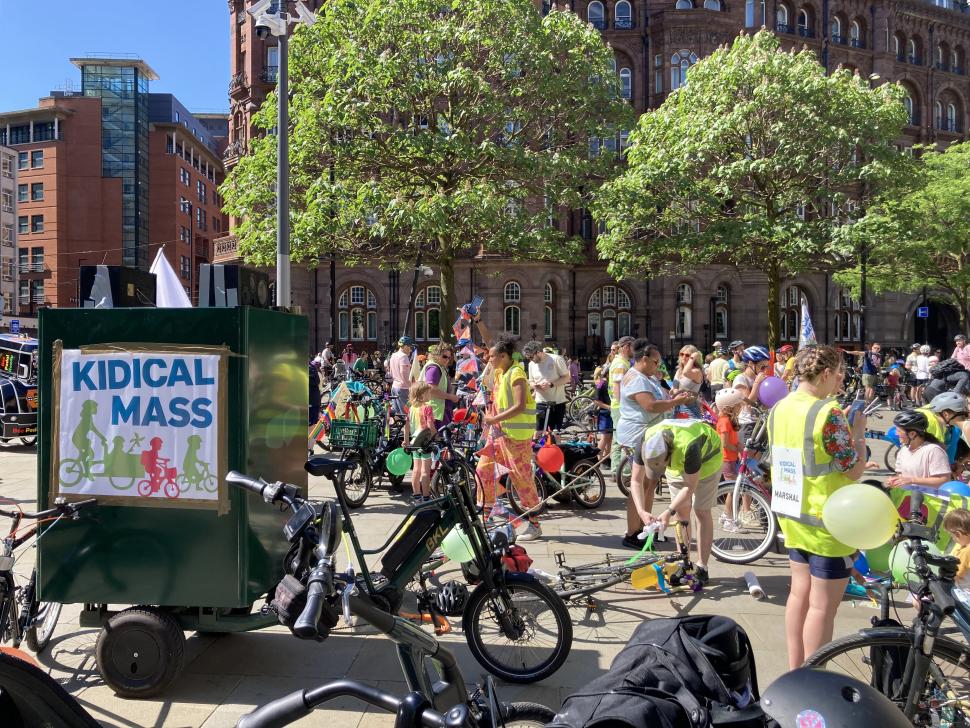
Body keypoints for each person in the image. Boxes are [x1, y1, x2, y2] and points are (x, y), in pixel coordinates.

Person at [766, 345, 867, 670]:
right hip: (827, 522)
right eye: (839, 374)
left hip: (793, 515)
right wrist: (860, 433)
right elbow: (852, 469)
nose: (841, 381)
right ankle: (814, 676)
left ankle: (796, 671)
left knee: (799, 596)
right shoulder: (828, 413)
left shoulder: (779, 407)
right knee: (822, 607)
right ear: (825, 374)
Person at [616, 340, 693, 548]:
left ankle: (644, 528)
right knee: (639, 484)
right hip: (637, 435)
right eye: (655, 361)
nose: (658, 365)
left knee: (649, 484)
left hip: (649, 435)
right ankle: (633, 532)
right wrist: (675, 402)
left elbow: (663, 396)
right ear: (643, 359)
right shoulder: (637, 379)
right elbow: (650, 406)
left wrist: (675, 396)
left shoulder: (647, 377)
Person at [642, 418, 724, 585]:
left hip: (708, 461)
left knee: (701, 511)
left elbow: (689, 487)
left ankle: (702, 567)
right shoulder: (648, 437)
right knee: (681, 513)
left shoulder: (689, 445)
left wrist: (667, 511)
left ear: (668, 455)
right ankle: (684, 564)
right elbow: (636, 480)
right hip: (679, 462)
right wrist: (642, 512)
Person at [477, 337, 543, 541]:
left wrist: (494, 418)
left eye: (492, 356)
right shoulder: (499, 371)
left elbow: (520, 405)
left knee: (521, 480)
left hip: (515, 438)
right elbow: (490, 344)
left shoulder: (516, 374)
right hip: (498, 436)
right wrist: (477, 320)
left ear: (504, 357)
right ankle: (486, 516)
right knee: (483, 470)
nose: (489, 358)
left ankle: (534, 525)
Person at [886, 410, 951, 491]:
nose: (896, 433)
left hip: (928, 500)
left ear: (912, 434)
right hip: (908, 498)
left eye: (899, 431)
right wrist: (895, 480)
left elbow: (944, 480)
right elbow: (901, 476)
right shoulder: (903, 450)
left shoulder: (933, 450)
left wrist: (912, 480)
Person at [523, 340, 571, 432]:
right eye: (528, 358)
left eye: (531, 357)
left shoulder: (556, 359)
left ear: (538, 352)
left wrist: (551, 384)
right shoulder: (531, 364)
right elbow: (531, 381)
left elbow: (566, 378)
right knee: (538, 432)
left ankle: (555, 446)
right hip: (540, 402)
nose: (530, 359)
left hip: (557, 402)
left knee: (555, 434)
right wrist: (535, 386)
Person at [608, 336, 636, 485]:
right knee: (625, 439)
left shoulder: (621, 362)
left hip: (617, 406)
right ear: (626, 347)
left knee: (618, 439)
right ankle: (624, 472)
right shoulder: (620, 363)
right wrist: (623, 405)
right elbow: (618, 385)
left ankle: (617, 471)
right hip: (620, 407)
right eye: (633, 347)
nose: (634, 351)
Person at [733, 346, 771, 448]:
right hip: (747, 424)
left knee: (759, 461)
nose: (765, 370)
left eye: (767, 367)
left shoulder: (759, 378)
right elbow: (748, 404)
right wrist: (757, 383)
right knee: (749, 460)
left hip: (761, 422)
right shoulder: (741, 379)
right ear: (750, 363)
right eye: (762, 367)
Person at [405, 382, 436, 503]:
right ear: (422, 395)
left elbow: (406, 426)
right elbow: (430, 426)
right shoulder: (427, 407)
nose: (430, 394)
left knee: (416, 469)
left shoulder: (412, 408)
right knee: (425, 471)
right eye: (428, 392)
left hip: (414, 442)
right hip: (424, 442)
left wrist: (406, 441)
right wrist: (436, 435)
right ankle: (426, 496)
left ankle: (417, 495)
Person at [420, 343, 460, 428]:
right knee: (438, 439)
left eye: (449, 357)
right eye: (444, 356)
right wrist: (451, 397)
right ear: (437, 354)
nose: (447, 360)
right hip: (436, 412)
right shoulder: (434, 368)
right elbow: (432, 390)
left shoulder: (438, 366)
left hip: (438, 411)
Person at [943, 508, 970, 596]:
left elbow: (956, 574)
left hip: (964, 590)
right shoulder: (964, 546)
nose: (953, 539)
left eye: (952, 536)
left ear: (958, 534)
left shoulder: (966, 552)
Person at [674, 345, 704, 418]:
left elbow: (686, 373)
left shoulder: (696, 371)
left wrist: (692, 358)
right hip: (677, 407)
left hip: (690, 409)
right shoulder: (678, 370)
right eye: (681, 354)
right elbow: (674, 388)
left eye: (687, 355)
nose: (683, 357)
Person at [388, 337, 416, 413]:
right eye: (410, 347)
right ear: (405, 346)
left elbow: (391, 372)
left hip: (394, 387)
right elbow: (405, 376)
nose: (411, 350)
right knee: (406, 414)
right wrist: (412, 387)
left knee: (397, 414)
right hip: (403, 388)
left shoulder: (393, 355)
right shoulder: (403, 357)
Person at [592, 365, 613, 460]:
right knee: (605, 437)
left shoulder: (610, 383)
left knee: (610, 437)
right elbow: (596, 400)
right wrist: (608, 407)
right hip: (604, 413)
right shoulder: (601, 383)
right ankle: (597, 459)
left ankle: (606, 458)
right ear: (608, 373)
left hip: (611, 413)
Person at [309, 360, 322, 425]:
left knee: (311, 424)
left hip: (311, 400)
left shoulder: (310, 368)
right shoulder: (312, 367)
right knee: (313, 424)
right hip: (315, 400)